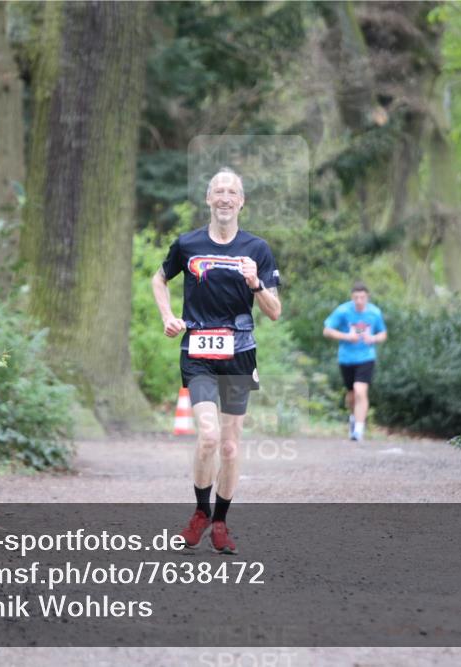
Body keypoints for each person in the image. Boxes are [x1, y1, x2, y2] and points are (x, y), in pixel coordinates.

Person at [151, 167, 281, 555]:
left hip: (239, 353)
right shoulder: (187, 244)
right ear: (208, 199)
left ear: (241, 202)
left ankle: (220, 523)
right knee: (208, 436)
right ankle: (199, 513)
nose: (225, 197)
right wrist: (168, 317)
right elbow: (159, 279)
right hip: (198, 353)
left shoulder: (257, 249)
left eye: (232, 192)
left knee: (229, 447)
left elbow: (275, 311)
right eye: (218, 191)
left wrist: (256, 283)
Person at [322, 282, 387, 442]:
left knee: (360, 390)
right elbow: (327, 331)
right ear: (352, 297)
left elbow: (383, 333)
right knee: (351, 395)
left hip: (366, 357)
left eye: (362, 297)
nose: (359, 301)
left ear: (367, 297)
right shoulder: (343, 311)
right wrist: (346, 336)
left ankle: (359, 429)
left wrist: (373, 338)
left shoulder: (374, 312)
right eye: (356, 297)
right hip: (346, 358)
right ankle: (353, 417)